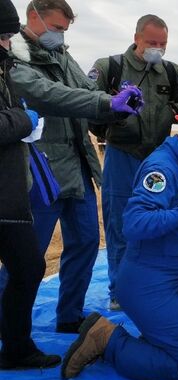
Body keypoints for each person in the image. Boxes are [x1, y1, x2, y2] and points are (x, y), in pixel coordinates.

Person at [61, 106, 178, 380]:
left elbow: (170, 214)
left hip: (171, 271)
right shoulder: (161, 168)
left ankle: (164, 330)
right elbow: (135, 224)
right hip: (149, 282)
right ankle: (107, 339)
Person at [0, 0, 143, 334]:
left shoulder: (61, 55)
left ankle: (69, 315)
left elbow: (84, 90)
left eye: (65, 30)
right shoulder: (15, 60)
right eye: (57, 27)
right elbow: (50, 95)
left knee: (86, 243)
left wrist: (115, 101)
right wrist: (103, 102)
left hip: (78, 165)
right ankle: (8, 324)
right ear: (33, 16)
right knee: (28, 256)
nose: (60, 35)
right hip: (42, 172)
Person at [88, 14, 178, 310]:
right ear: (137, 39)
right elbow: (87, 104)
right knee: (120, 223)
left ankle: (159, 283)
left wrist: (165, 112)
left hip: (157, 157)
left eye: (163, 44)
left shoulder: (170, 71)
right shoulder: (109, 66)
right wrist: (117, 106)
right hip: (122, 154)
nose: (157, 49)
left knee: (163, 218)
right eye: (151, 43)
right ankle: (119, 291)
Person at [0, 0, 60, 370]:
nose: (9, 42)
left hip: (8, 194)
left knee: (28, 268)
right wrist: (24, 117)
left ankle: (16, 349)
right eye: (4, 35)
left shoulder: (5, 68)